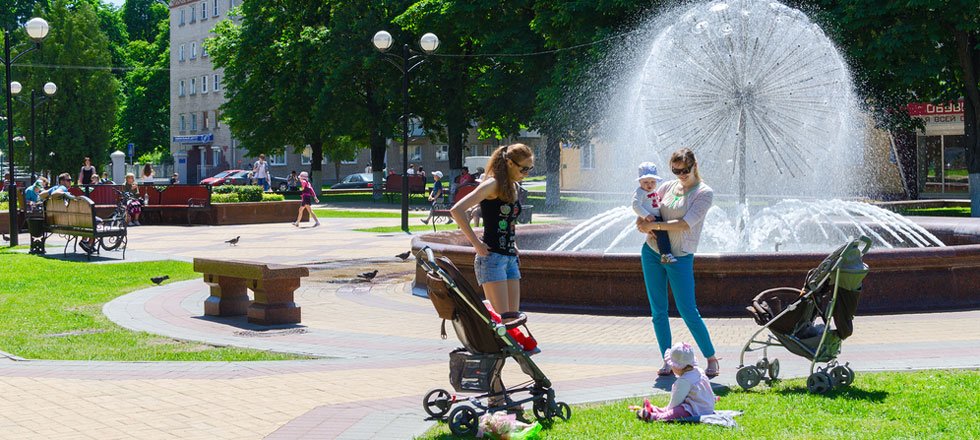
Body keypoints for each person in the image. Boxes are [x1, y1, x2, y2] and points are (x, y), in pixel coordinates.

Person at [636, 148, 720, 378]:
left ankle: (711, 358)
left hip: (680, 255)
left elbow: (686, 223)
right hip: (652, 252)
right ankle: (667, 360)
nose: (680, 174)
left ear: (694, 165)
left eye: (684, 170)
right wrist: (641, 221)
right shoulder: (667, 187)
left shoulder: (704, 192)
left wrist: (656, 227)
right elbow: (648, 206)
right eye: (675, 170)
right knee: (658, 311)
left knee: (687, 310)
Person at [449, 144, 535, 334]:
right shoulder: (492, 184)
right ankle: (491, 356)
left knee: (513, 319)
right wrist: (476, 243)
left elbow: (507, 219)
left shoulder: (513, 186)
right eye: (524, 169)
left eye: (530, 168)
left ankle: (510, 358)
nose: (526, 173)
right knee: (501, 321)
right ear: (509, 163)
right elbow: (457, 210)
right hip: (492, 258)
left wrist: (514, 244)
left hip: (510, 258)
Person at [633, 342, 716, 422]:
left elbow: (675, 403)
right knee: (679, 408)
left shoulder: (684, 381)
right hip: (706, 407)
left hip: (697, 410)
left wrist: (668, 410)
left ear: (677, 367)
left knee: (677, 411)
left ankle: (655, 416)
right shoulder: (699, 371)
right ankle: (656, 409)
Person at [632, 162, 676, 264]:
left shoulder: (653, 191)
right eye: (646, 182)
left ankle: (665, 253)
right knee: (662, 234)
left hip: (656, 217)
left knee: (663, 234)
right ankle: (665, 255)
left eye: (652, 182)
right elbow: (635, 205)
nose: (649, 185)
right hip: (651, 218)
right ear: (640, 182)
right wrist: (646, 216)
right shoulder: (639, 192)